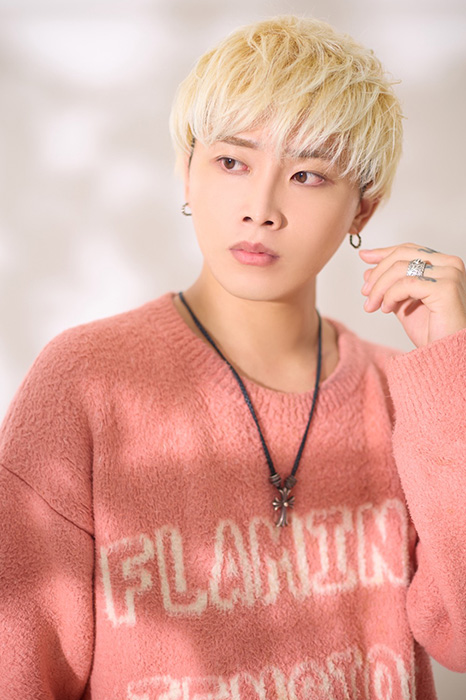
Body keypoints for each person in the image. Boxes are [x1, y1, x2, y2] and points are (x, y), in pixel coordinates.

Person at [0, 14, 465, 700]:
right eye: (231, 162)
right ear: (187, 172)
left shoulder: (412, 397)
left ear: (362, 209)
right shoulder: (86, 381)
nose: (260, 207)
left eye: (307, 174)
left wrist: (451, 368)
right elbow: (18, 670)